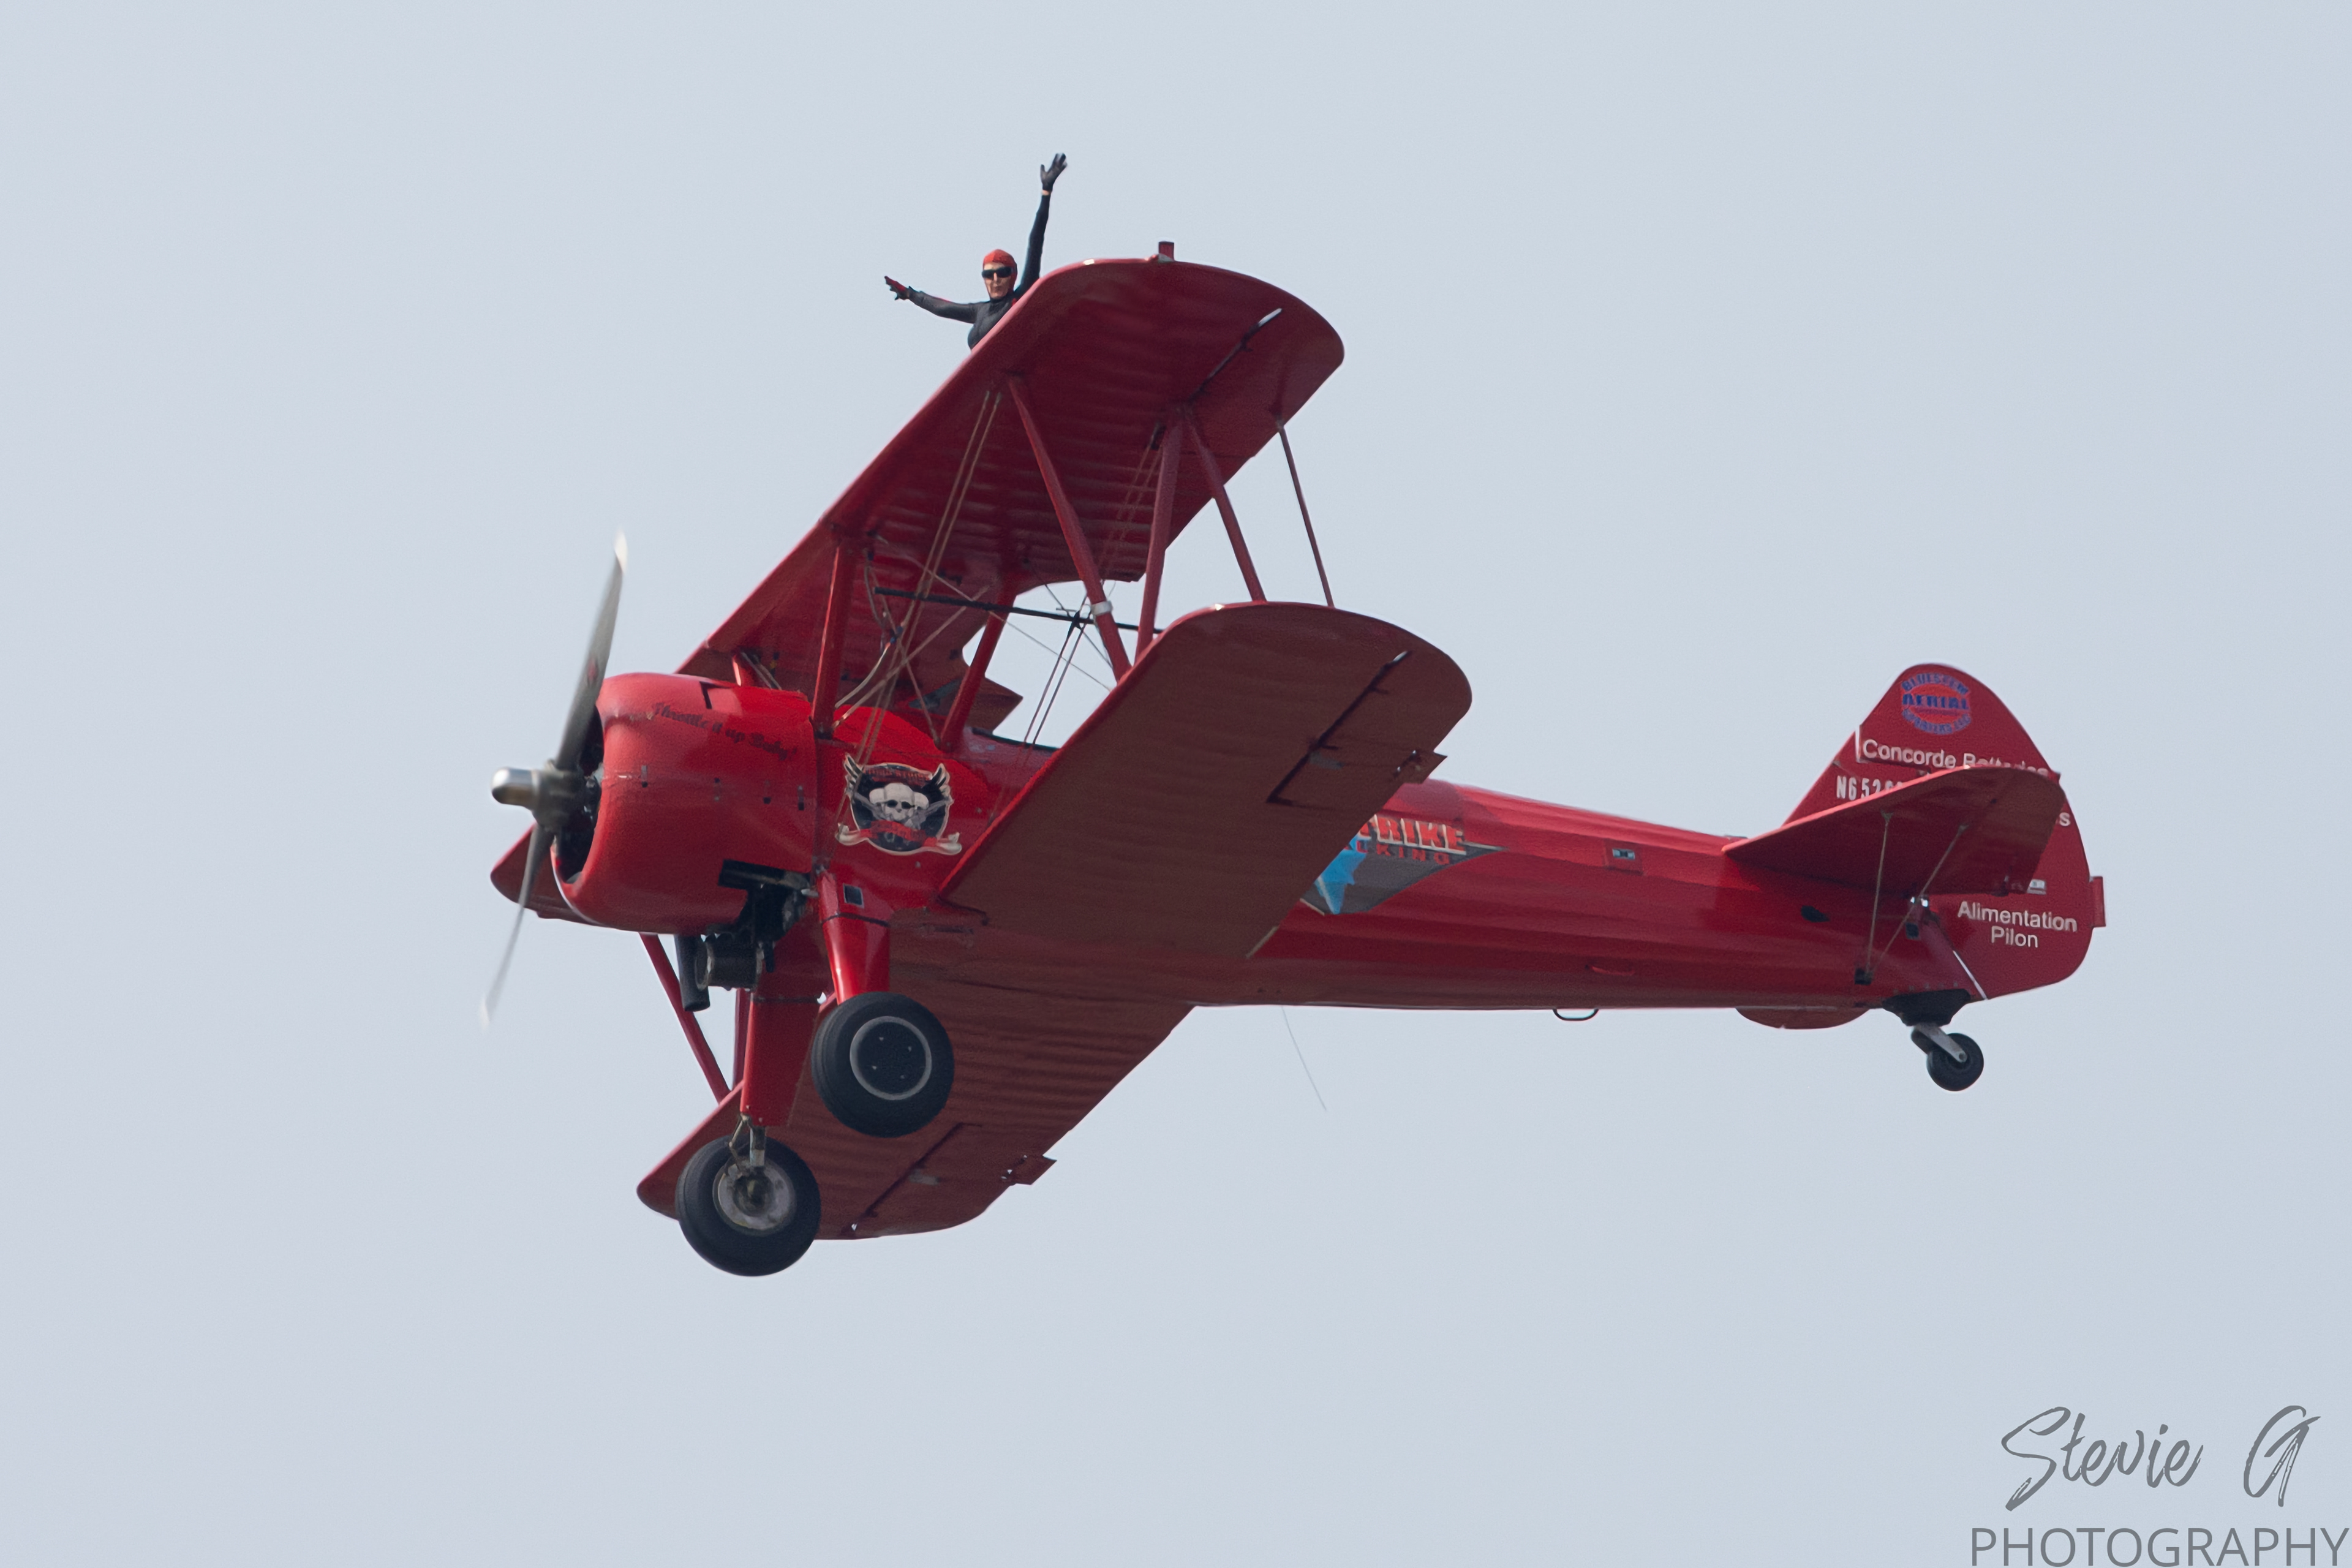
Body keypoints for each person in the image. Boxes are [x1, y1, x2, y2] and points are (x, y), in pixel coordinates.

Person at [884, 154, 1068, 349]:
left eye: (1002, 273)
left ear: (1013, 275)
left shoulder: (1020, 299)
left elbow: (1035, 244)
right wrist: (909, 295)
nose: (995, 280)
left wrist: (1046, 193)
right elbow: (942, 308)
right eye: (989, 275)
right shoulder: (979, 311)